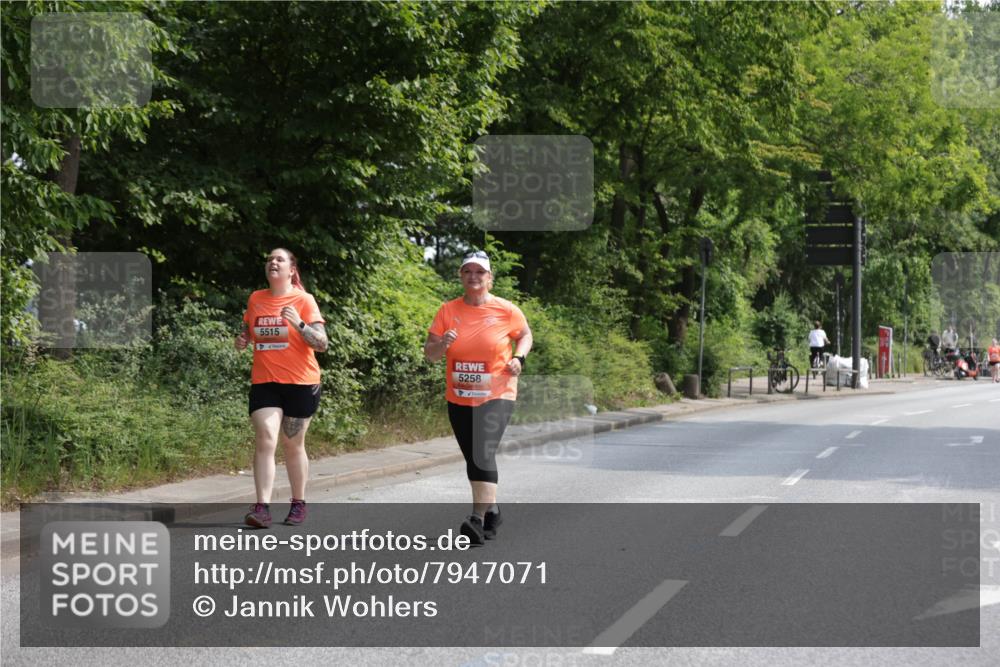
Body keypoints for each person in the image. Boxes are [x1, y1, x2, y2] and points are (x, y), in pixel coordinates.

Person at [424, 250, 532, 545]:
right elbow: (430, 354)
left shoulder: (506, 309)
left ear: (489, 278)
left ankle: (476, 519)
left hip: (498, 392)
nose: (474, 276)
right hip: (459, 396)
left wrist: (519, 359)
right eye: (468, 271)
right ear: (461, 276)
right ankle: (492, 510)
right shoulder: (447, 311)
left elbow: (525, 335)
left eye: (480, 272)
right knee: (474, 457)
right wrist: (442, 344)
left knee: (483, 452)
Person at [235, 248, 328, 528]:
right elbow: (249, 331)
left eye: (280, 259)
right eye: (269, 259)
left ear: (291, 270)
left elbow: (322, 344)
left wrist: (298, 324)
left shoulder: (303, 299)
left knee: (292, 444)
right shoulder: (256, 298)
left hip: (301, 383)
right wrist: (242, 341)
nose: (272, 262)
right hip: (265, 382)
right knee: (266, 436)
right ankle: (262, 507)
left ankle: (298, 503)